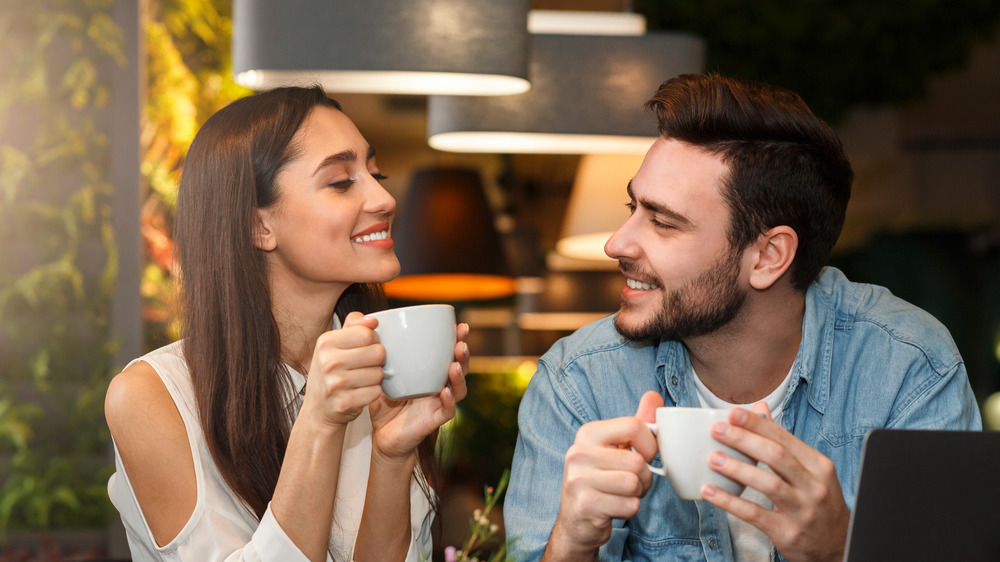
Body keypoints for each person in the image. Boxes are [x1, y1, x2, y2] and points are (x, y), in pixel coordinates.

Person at [504, 73, 981, 562]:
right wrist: (571, 544)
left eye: (663, 222)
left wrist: (839, 549)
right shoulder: (580, 380)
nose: (616, 244)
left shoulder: (909, 366)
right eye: (633, 207)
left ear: (769, 256)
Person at [104, 86, 470, 562]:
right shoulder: (152, 396)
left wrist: (393, 454)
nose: (383, 197)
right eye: (342, 181)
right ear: (259, 226)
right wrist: (319, 419)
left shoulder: (383, 375)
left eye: (376, 173)